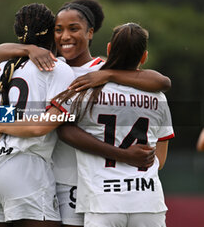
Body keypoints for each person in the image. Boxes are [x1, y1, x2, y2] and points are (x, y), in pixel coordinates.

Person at [0, 0, 170, 227]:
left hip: (84, 183)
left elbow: (160, 81)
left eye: (74, 29)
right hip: (48, 177)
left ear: (90, 32)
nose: (65, 36)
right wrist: (28, 48)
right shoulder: (49, 66)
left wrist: (109, 74)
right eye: (58, 30)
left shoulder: (101, 71)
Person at [54, 22, 174, 227]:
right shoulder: (158, 97)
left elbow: (62, 128)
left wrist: (1, 120)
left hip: (103, 202)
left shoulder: (86, 89)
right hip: (148, 202)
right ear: (144, 56)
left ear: (109, 49)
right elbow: (159, 161)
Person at [0, 3, 77, 227]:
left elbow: (8, 116)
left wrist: (0, 125)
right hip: (26, 170)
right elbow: (42, 126)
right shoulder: (57, 69)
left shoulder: (3, 68)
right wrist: (1, 125)